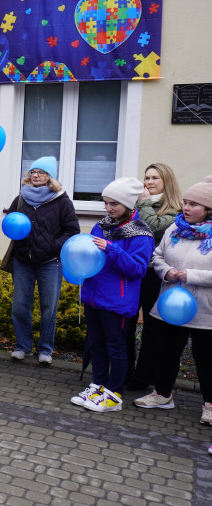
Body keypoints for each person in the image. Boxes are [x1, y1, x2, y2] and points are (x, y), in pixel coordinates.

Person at [133, 177, 212, 429]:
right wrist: (165, 271)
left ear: (208, 209)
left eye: (194, 204)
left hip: (204, 311)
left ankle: (210, 404)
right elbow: (156, 256)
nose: (186, 208)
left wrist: (191, 275)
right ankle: (163, 394)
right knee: (166, 353)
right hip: (169, 305)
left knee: (207, 359)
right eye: (185, 203)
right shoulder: (174, 229)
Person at [71, 177, 154, 412]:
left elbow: (138, 268)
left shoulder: (140, 233)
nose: (108, 208)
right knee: (96, 344)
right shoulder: (103, 224)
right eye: (106, 203)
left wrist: (112, 249)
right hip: (93, 296)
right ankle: (98, 385)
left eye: (114, 204)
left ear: (128, 204)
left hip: (117, 301)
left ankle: (115, 393)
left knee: (116, 348)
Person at [6, 156, 80, 365]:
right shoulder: (20, 199)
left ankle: (45, 349)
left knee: (49, 307)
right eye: (32, 172)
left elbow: (72, 231)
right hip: (23, 261)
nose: (36, 175)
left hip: (50, 262)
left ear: (50, 176)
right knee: (20, 305)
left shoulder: (61, 200)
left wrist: (51, 246)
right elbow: (11, 223)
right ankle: (23, 346)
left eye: (41, 172)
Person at [127, 163, 184, 391]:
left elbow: (154, 228)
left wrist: (143, 203)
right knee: (127, 322)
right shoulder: (139, 204)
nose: (148, 182)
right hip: (134, 270)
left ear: (166, 182)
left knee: (151, 328)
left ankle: (144, 377)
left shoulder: (176, 209)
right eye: (147, 177)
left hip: (156, 274)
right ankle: (125, 371)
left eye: (155, 178)